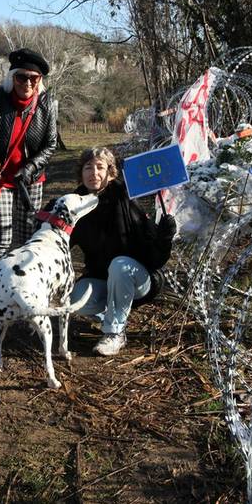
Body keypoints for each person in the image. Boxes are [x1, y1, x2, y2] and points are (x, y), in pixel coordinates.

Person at [67, 147, 176, 355]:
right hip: (102, 279)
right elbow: (62, 241)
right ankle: (113, 317)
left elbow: (155, 257)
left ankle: (115, 333)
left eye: (100, 167)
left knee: (119, 265)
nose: (94, 173)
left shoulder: (125, 196)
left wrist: (164, 237)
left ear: (111, 172)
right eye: (88, 168)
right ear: (81, 173)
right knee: (75, 300)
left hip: (139, 278)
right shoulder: (75, 203)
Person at [0, 48, 58, 295]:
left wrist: (29, 169)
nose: (28, 83)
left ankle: (28, 293)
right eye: (22, 77)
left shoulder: (48, 103)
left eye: (34, 78)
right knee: (2, 240)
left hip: (32, 180)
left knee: (30, 239)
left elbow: (50, 144)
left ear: (40, 80)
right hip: (1, 181)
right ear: (12, 77)